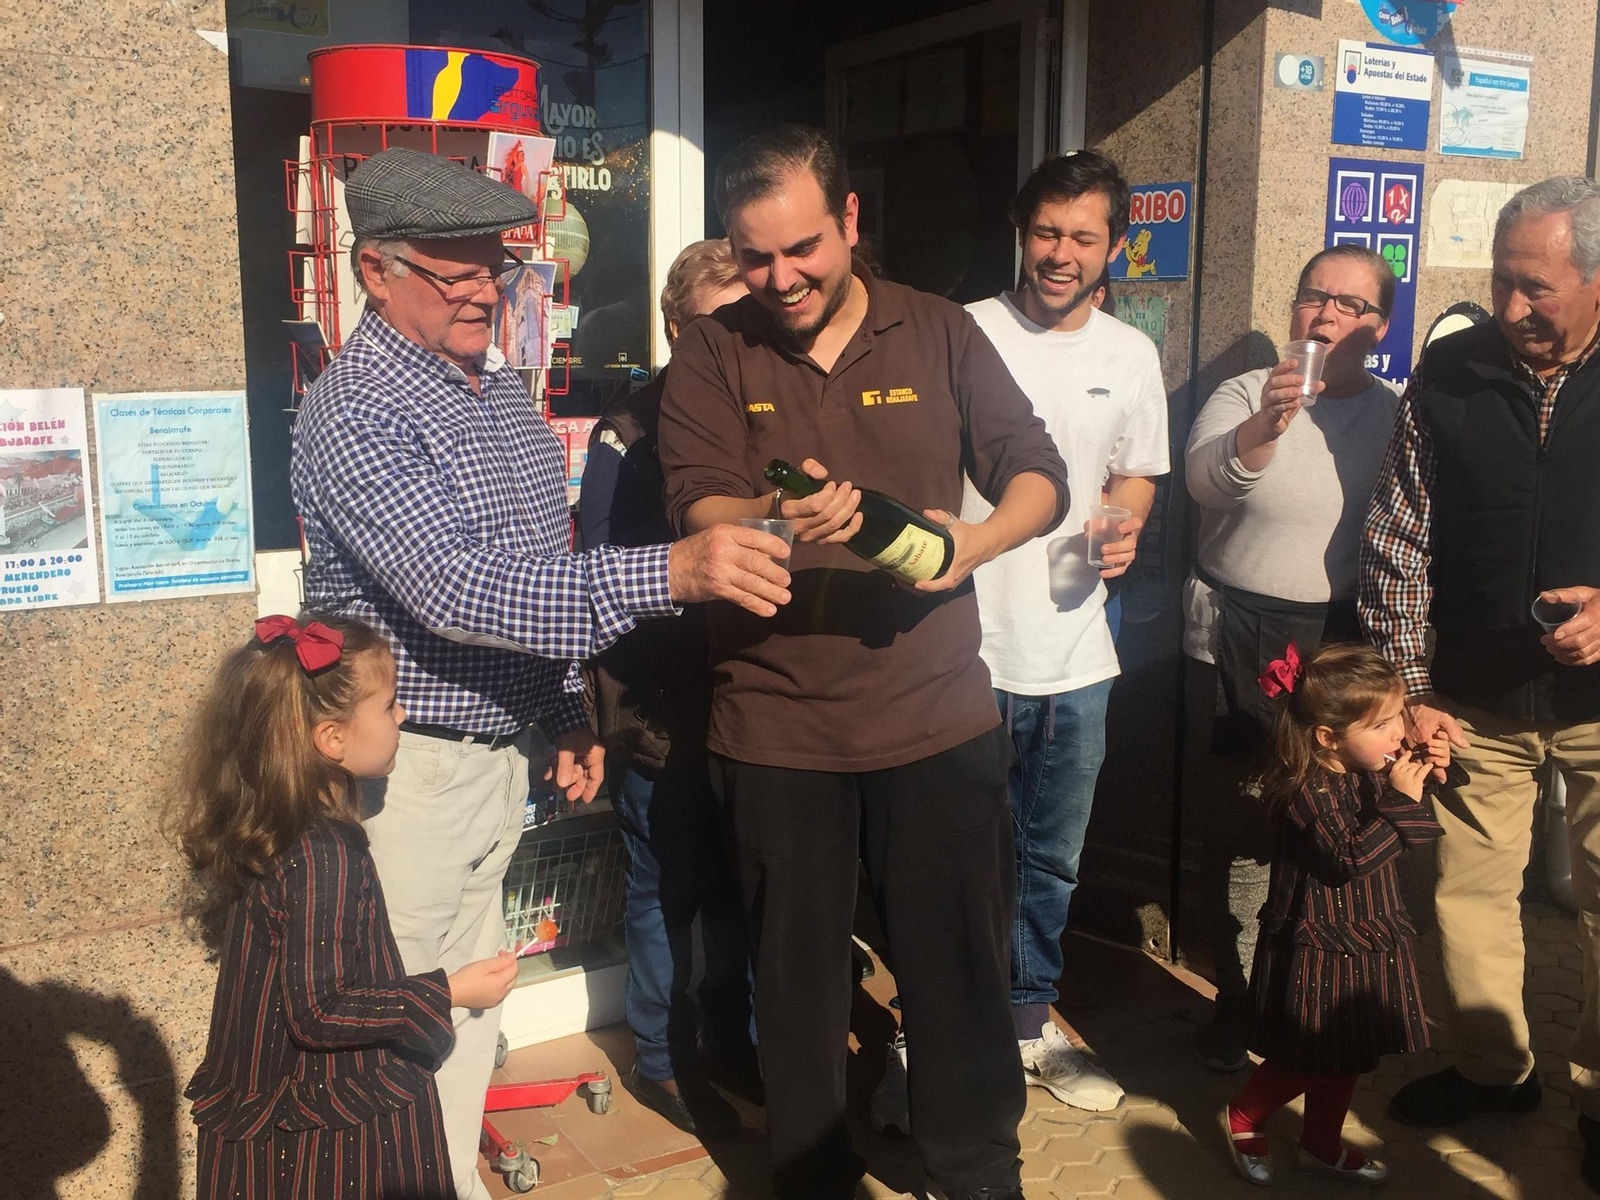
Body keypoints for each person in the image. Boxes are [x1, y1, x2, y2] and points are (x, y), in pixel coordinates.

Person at [289, 147, 792, 1199]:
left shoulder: (496, 393)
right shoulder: (357, 408)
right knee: (397, 1018)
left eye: (496, 268)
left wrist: (563, 708)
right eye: (456, 273)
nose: (485, 292)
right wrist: (674, 571)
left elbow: (536, 569)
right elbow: (457, 589)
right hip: (402, 778)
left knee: (471, 1007)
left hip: (489, 762)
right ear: (375, 270)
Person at [657, 124, 1071, 1200]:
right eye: (756, 257)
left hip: (935, 717)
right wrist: (776, 511)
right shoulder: (711, 352)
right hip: (777, 726)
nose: (781, 277)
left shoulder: (937, 329)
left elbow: (1036, 471)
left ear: (849, 220)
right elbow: (696, 503)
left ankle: (975, 1173)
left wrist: (974, 543)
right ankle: (811, 1176)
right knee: (796, 990)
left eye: (801, 248)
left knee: (957, 974)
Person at [1361, 176, 1600, 1190]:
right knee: (1465, 895)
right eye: (1502, 280)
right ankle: (1494, 1070)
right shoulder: (1450, 373)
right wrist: (1413, 685)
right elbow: (1397, 537)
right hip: (1473, 697)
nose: (1509, 306)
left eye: (1535, 286)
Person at [170, 614, 521, 1199]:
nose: (403, 715)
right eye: (388, 705)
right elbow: (320, 1010)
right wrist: (451, 991)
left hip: (287, 1089)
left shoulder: (279, 824)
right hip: (318, 1115)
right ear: (332, 738)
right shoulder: (322, 855)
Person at [957, 149, 1168, 1110]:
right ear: (1020, 231)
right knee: (955, 855)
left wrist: (1127, 524)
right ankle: (938, 1025)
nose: (1061, 253)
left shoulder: (1130, 354)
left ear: (1113, 247)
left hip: (1077, 650)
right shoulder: (964, 333)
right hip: (964, 647)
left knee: (1051, 857)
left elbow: (1137, 471)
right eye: (1047, 231)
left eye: (1084, 237)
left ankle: (1027, 1020)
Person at [1184, 243, 1399, 1073]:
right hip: (1239, 630)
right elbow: (1203, 485)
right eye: (1314, 296)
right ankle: (1235, 1000)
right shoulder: (1247, 392)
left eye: (1349, 305)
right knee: (1243, 823)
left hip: (1339, 640)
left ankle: (1304, 997)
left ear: (1379, 329)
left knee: (1324, 823)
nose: (1325, 315)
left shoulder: (1391, 414)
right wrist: (1266, 428)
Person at [578, 238, 755, 1138]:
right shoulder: (627, 432)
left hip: (748, 700)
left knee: (738, 885)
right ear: (675, 327)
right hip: (657, 704)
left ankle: (737, 1042)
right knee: (664, 890)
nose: (733, 341)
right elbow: (596, 568)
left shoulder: (758, 406)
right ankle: (661, 1056)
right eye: (715, 325)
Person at [1220, 642, 1446, 1187]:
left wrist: (1432, 767)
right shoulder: (1307, 788)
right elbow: (1350, 859)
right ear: (1327, 736)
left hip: (1369, 929)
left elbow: (1401, 803)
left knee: (1353, 1049)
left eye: (1398, 717)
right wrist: (1400, 801)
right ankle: (1243, 1114)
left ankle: (1320, 1143)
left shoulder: (1368, 764)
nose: (1398, 734)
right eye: (1382, 724)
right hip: (1320, 942)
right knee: (1313, 1053)